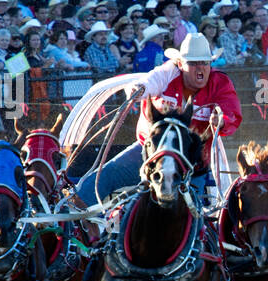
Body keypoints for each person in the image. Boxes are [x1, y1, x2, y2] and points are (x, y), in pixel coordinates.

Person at [74, 33, 241, 207]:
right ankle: (79, 216)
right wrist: (139, 89)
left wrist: (222, 120)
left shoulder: (220, 82)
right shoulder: (168, 72)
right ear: (180, 64)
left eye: (204, 63)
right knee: (105, 176)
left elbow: (230, 109)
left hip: (192, 161)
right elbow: (150, 81)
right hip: (152, 152)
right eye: (192, 63)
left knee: (194, 211)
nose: (200, 68)